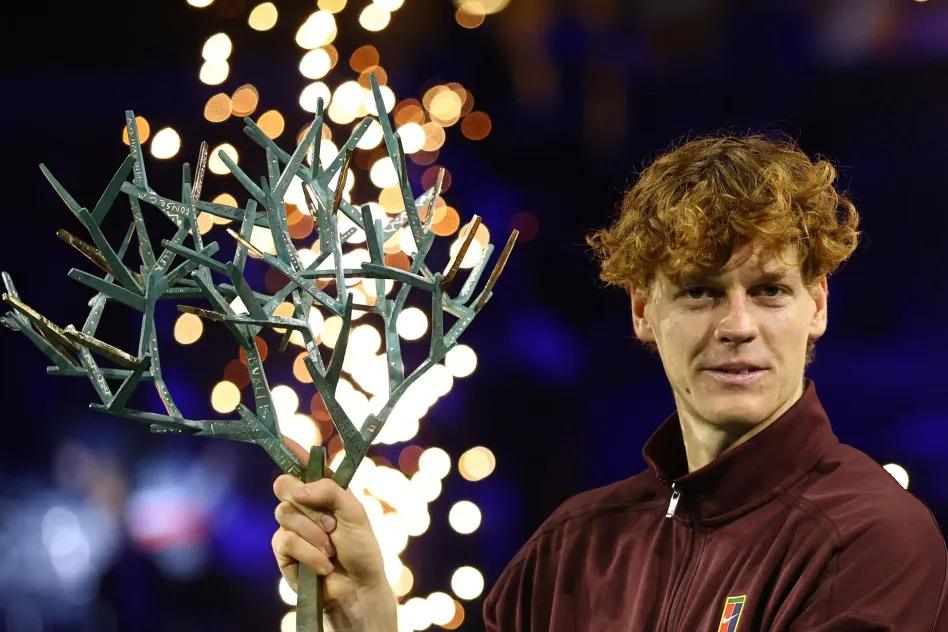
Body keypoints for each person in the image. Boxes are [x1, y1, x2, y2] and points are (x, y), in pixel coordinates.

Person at [271, 135, 948, 631]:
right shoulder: (571, 549)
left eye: (770, 291)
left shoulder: (873, 540)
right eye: (701, 293)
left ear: (818, 305)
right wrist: (369, 615)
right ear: (642, 310)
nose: (738, 325)